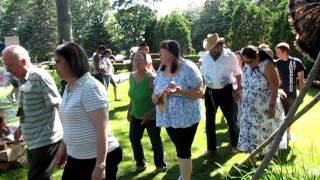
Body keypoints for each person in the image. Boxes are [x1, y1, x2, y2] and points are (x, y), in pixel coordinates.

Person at [54, 42, 122, 180]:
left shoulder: (90, 87)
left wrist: (100, 166)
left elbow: (102, 129)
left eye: (58, 61)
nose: (55, 66)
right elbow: (70, 124)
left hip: (97, 158)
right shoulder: (69, 87)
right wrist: (64, 149)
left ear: (72, 61)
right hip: (77, 156)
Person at [2, 45, 63, 180]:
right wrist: (20, 128)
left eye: (10, 66)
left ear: (23, 61)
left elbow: (58, 105)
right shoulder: (22, 79)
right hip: (33, 141)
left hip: (46, 141)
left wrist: (68, 140)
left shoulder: (40, 77)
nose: (8, 70)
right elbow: (28, 109)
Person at [152, 40, 204, 180]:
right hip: (168, 118)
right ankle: (184, 174)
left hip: (187, 118)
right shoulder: (162, 67)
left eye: (162, 51)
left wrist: (180, 91)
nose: (159, 53)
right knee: (180, 148)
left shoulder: (188, 67)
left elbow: (200, 93)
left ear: (172, 53)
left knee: (183, 149)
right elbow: (155, 91)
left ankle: (185, 177)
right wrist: (156, 98)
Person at [200, 33, 242, 157]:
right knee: (210, 122)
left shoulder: (230, 56)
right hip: (210, 92)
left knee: (232, 120)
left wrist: (238, 89)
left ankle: (236, 145)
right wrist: (202, 89)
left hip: (226, 91)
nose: (210, 51)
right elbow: (203, 74)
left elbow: (238, 73)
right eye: (209, 48)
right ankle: (211, 148)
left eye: (212, 48)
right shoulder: (206, 57)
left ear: (219, 45)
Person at [238, 45, 284, 156]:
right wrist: (239, 90)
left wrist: (271, 106)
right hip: (249, 109)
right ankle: (251, 159)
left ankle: (268, 160)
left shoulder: (267, 65)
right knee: (250, 134)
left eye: (250, 61)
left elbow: (275, 85)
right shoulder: (248, 65)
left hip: (265, 109)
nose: (247, 64)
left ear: (257, 56)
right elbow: (245, 81)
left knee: (265, 133)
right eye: (245, 62)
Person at [127, 51, 166, 172]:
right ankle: (140, 163)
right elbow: (132, 96)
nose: (137, 62)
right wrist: (129, 111)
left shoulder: (151, 78)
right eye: (135, 59)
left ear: (146, 62)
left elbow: (161, 100)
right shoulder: (131, 76)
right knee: (134, 138)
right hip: (136, 115)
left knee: (155, 141)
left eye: (140, 59)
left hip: (151, 117)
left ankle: (160, 166)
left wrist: (149, 114)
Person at [275, 42, 305, 141]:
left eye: (278, 52)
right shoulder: (276, 63)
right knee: (279, 116)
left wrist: (302, 94)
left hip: (292, 95)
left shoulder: (296, 62)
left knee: (289, 116)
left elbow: (301, 79)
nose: (276, 54)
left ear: (285, 52)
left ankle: (288, 133)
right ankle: (279, 135)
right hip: (278, 95)